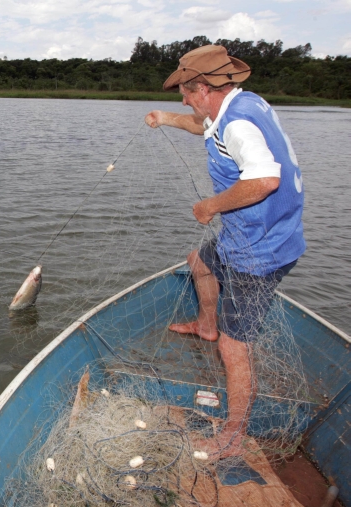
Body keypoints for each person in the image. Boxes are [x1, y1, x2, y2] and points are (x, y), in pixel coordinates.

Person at [145, 45, 306, 458]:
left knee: (235, 349)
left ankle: (232, 436)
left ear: (203, 87)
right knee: (198, 261)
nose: (182, 99)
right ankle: (206, 323)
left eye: (184, 91)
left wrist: (210, 206)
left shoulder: (235, 124)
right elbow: (203, 126)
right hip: (246, 235)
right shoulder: (240, 103)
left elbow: (266, 179)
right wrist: (164, 119)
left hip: (262, 249)